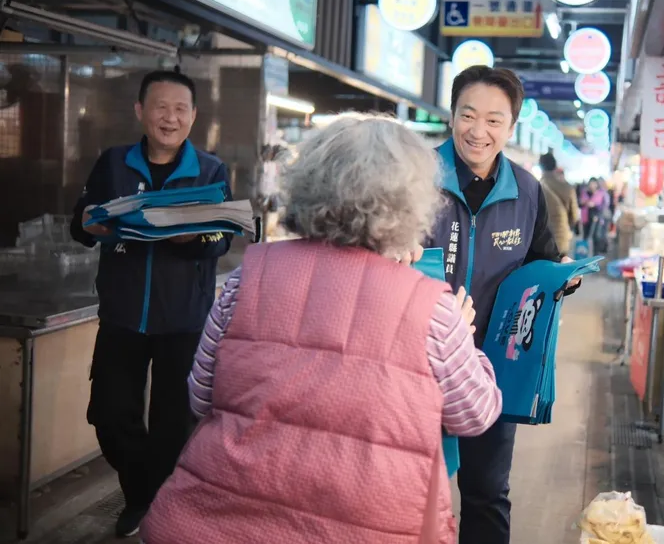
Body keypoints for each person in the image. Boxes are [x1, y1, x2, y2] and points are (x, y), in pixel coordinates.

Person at [140, 115, 503, 544]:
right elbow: (475, 414)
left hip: (215, 522)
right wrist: (464, 336)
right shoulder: (433, 310)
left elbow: (200, 395)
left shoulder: (248, 276)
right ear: (410, 202)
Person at [70, 70, 232, 538]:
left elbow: (221, 237)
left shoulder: (209, 171)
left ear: (194, 117)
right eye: (160, 107)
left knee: (172, 422)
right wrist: (88, 223)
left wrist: (193, 236)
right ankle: (145, 492)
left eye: (181, 109)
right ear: (140, 111)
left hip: (182, 318)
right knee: (109, 413)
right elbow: (79, 224)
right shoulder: (114, 163)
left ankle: (149, 505)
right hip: (121, 315)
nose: (170, 117)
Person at [425, 65, 580, 544]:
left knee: (487, 492)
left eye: (494, 120)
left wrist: (559, 277)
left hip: (489, 370)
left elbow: (541, 258)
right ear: (451, 116)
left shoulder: (528, 190)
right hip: (417, 362)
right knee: (411, 489)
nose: (479, 130)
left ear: (511, 128)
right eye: (468, 115)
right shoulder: (416, 178)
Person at [538, 152, 579, 256]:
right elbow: (574, 217)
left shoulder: (534, 188)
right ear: (555, 167)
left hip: (539, 239)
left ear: (541, 167)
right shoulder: (567, 188)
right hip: (561, 239)